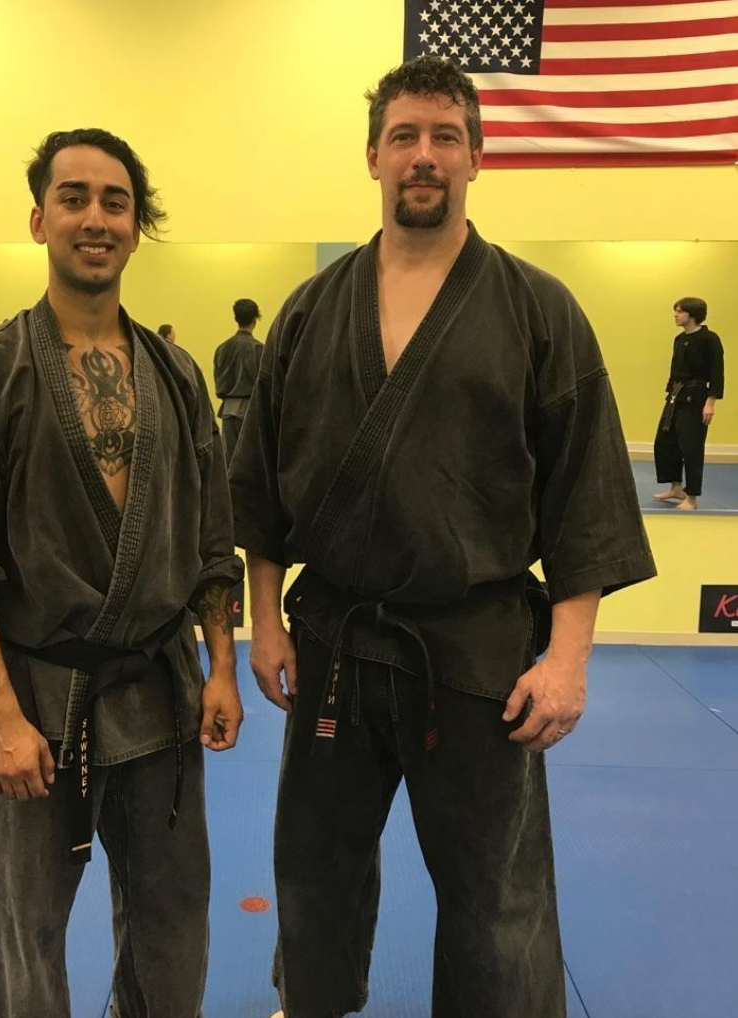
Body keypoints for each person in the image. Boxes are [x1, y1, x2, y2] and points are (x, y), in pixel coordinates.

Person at [230, 57, 656, 1018]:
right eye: (405, 137)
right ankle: (312, 1001)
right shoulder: (310, 308)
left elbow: (586, 491)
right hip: (336, 638)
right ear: (373, 157)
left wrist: (568, 660)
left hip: (478, 652)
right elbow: (256, 487)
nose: (424, 156)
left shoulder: (536, 306)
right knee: (314, 863)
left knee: (493, 890)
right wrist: (265, 620)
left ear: (478, 155)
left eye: (445, 137)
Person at [0, 127, 244, 1018]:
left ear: (137, 228)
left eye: (115, 201)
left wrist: (222, 666)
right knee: (22, 930)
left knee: (174, 923)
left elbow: (215, 541)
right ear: (39, 219)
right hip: (38, 698)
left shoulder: (178, 375)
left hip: (162, 690)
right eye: (74, 198)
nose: (94, 218)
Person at [653, 297, 725, 511]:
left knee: (692, 446)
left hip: (697, 397)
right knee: (665, 441)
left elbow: (717, 373)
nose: (675, 315)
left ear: (692, 314)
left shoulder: (709, 339)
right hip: (676, 396)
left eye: (679, 311)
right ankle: (676, 487)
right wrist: (670, 394)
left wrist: (710, 403)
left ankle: (692, 497)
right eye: (675, 311)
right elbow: (675, 369)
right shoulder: (679, 339)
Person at [213, 298, 263, 465]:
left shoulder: (222, 348)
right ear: (255, 320)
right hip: (250, 410)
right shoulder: (260, 349)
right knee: (251, 463)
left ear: (236, 319)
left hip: (228, 410)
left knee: (230, 463)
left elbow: (218, 379)